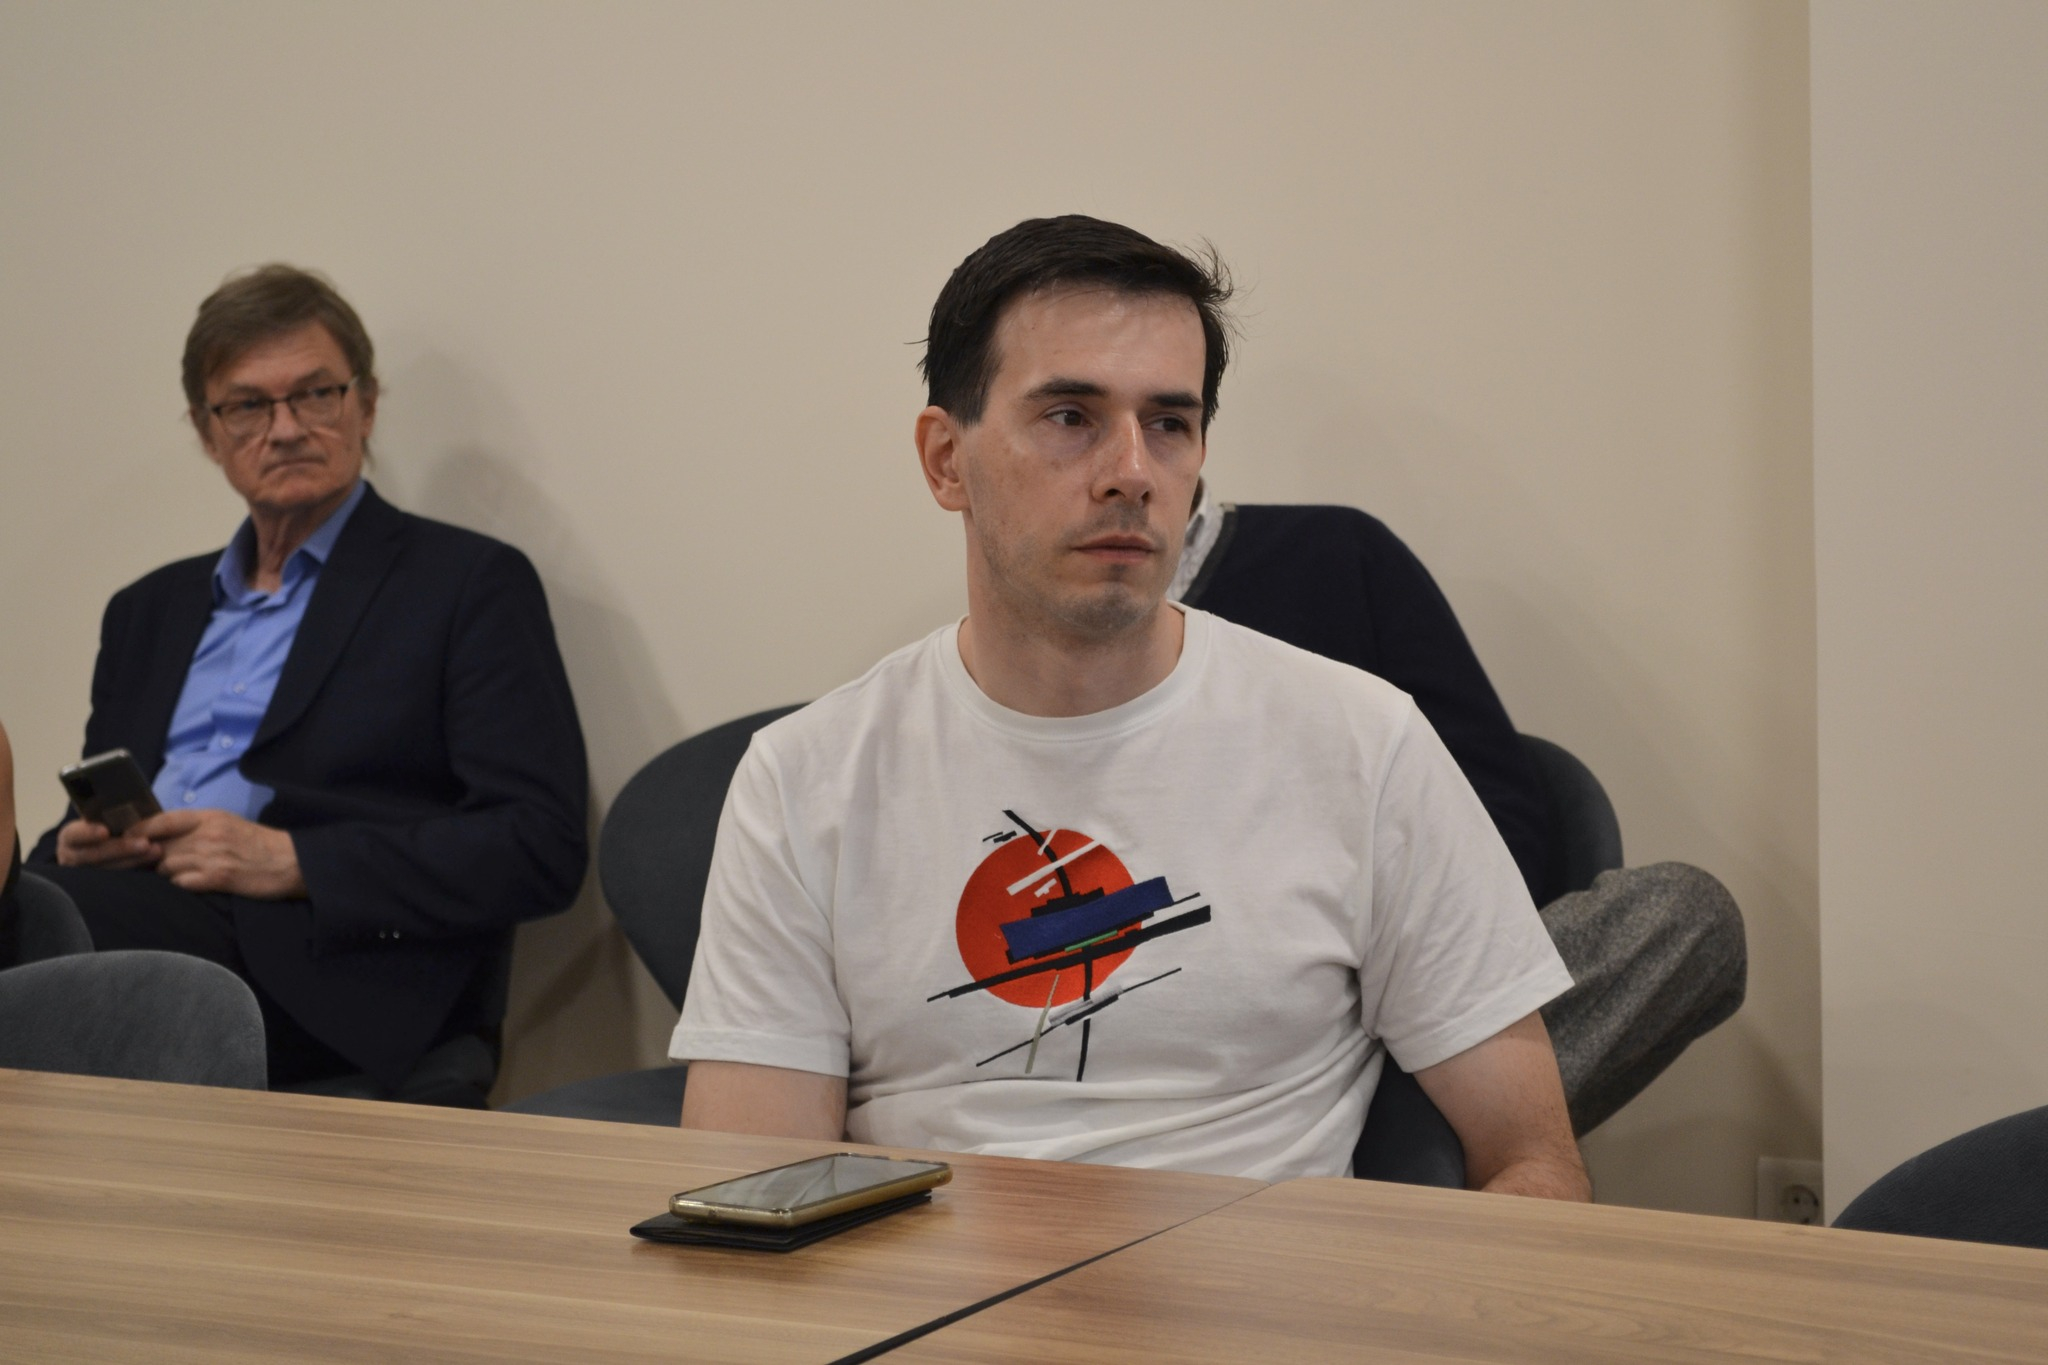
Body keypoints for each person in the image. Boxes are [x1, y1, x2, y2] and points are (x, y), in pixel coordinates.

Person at [674, 216, 1589, 1198]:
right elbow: (754, 1193)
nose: (1132, 473)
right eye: (1070, 417)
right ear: (945, 460)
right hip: (925, 1284)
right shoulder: (804, 778)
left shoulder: (1362, 743)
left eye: (1168, 424)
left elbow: (1531, 1163)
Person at [31, 265, 588, 1097]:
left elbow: (540, 845)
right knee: (37, 902)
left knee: (45, 933)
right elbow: (92, 817)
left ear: (366, 405)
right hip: (130, 910)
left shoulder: (466, 583)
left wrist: (291, 860)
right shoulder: (147, 609)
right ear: (207, 432)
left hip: (317, 963)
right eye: (248, 405)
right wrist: (70, 847)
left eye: (315, 394)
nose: (286, 428)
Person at [1170, 490, 1747, 1134]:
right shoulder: (1080, 631)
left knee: (1685, 913)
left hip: (1388, 987)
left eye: (1167, 434)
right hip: (1182, 1016)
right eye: (1086, 433)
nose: (1130, 469)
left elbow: (1498, 808)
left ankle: (1414, 1126)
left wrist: (1360, 963)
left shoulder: (1338, 556)